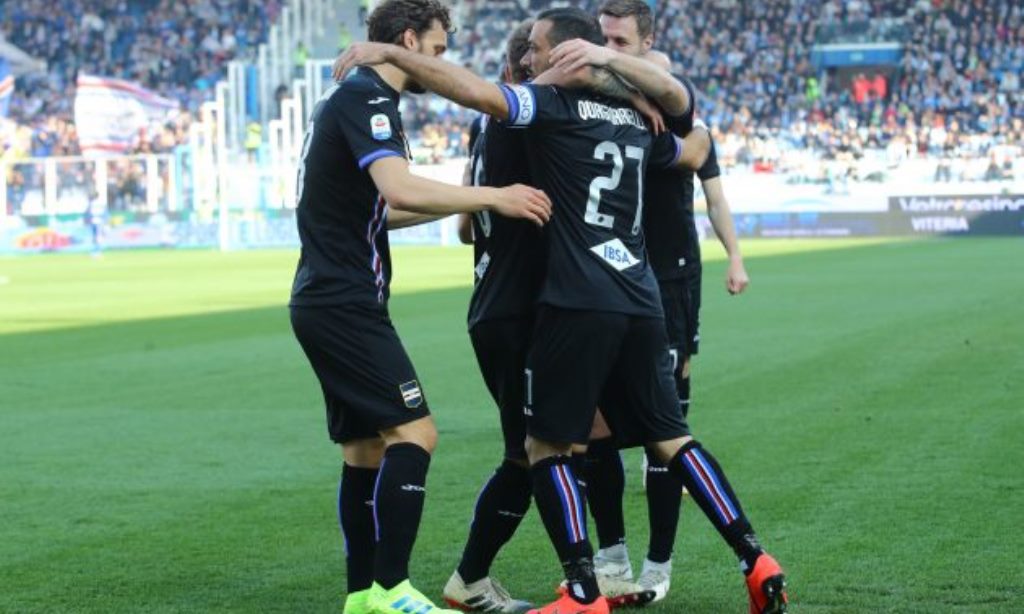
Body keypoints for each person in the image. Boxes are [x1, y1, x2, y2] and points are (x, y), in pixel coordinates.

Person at [336, 8, 787, 614]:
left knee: (545, 448)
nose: (531, 61)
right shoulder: (632, 115)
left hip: (570, 300)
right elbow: (692, 140)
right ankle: (754, 557)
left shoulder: (542, 110)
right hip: (632, 295)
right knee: (658, 437)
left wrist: (393, 55)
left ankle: (574, 588)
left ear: (567, 53)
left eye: (539, 50)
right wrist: (627, 85)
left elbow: (478, 102)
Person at [288, 2, 552, 614]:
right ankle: (394, 589)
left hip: (324, 296)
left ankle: (362, 595)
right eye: (436, 50)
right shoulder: (367, 98)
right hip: (344, 299)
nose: (438, 64)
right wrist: (494, 196)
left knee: (366, 450)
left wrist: (470, 204)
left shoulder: (349, 98)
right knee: (416, 434)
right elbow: (399, 188)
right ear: (408, 41)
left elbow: (385, 209)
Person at [550, 0, 750, 602]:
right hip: (610, 279)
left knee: (667, 430)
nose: (607, 49)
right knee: (597, 422)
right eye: (603, 38)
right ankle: (611, 555)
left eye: (620, 42)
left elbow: (709, 180)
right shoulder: (602, 102)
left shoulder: (677, 111)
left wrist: (735, 257)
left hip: (669, 277)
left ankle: (658, 566)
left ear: (646, 45)